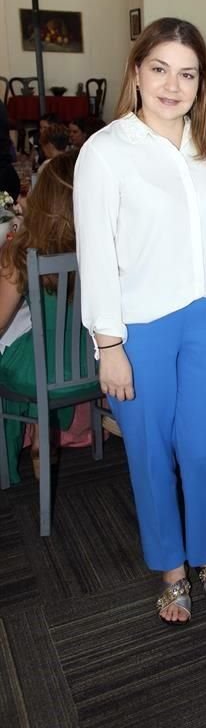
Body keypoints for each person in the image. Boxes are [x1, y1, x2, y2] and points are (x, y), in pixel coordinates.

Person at [74, 17, 206, 624]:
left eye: (187, 73)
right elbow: (96, 250)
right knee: (150, 452)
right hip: (139, 327)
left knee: (204, 448)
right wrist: (107, 343)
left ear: (201, 82)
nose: (173, 84)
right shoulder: (105, 151)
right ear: (137, 73)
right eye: (160, 69)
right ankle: (172, 568)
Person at [0, 151, 92, 484]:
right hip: (95, 365)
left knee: (11, 345)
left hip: (37, 373)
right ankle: (45, 439)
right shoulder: (104, 245)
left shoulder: (22, 252)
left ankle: (15, 453)